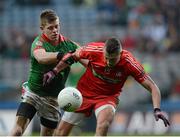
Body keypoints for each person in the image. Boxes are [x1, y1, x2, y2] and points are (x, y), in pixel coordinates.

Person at [43, 37, 170, 136]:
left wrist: (157, 109)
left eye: (113, 59)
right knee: (60, 133)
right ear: (103, 50)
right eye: (107, 58)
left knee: (103, 125)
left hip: (107, 97)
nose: (109, 62)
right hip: (83, 94)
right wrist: (54, 71)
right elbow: (72, 55)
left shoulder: (130, 63)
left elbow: (153, 87)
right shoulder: (94, 50)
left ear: (120, 53)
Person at [9, 9, 84, 136]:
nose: (55, 30)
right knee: (17, 131)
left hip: (53, 99)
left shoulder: (69, 45)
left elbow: (85, 57)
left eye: (57, 26)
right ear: (42, 28)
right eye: (50, 28)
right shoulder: (38, 43)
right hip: (34, 93)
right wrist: (62, 55)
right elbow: (41, 57)